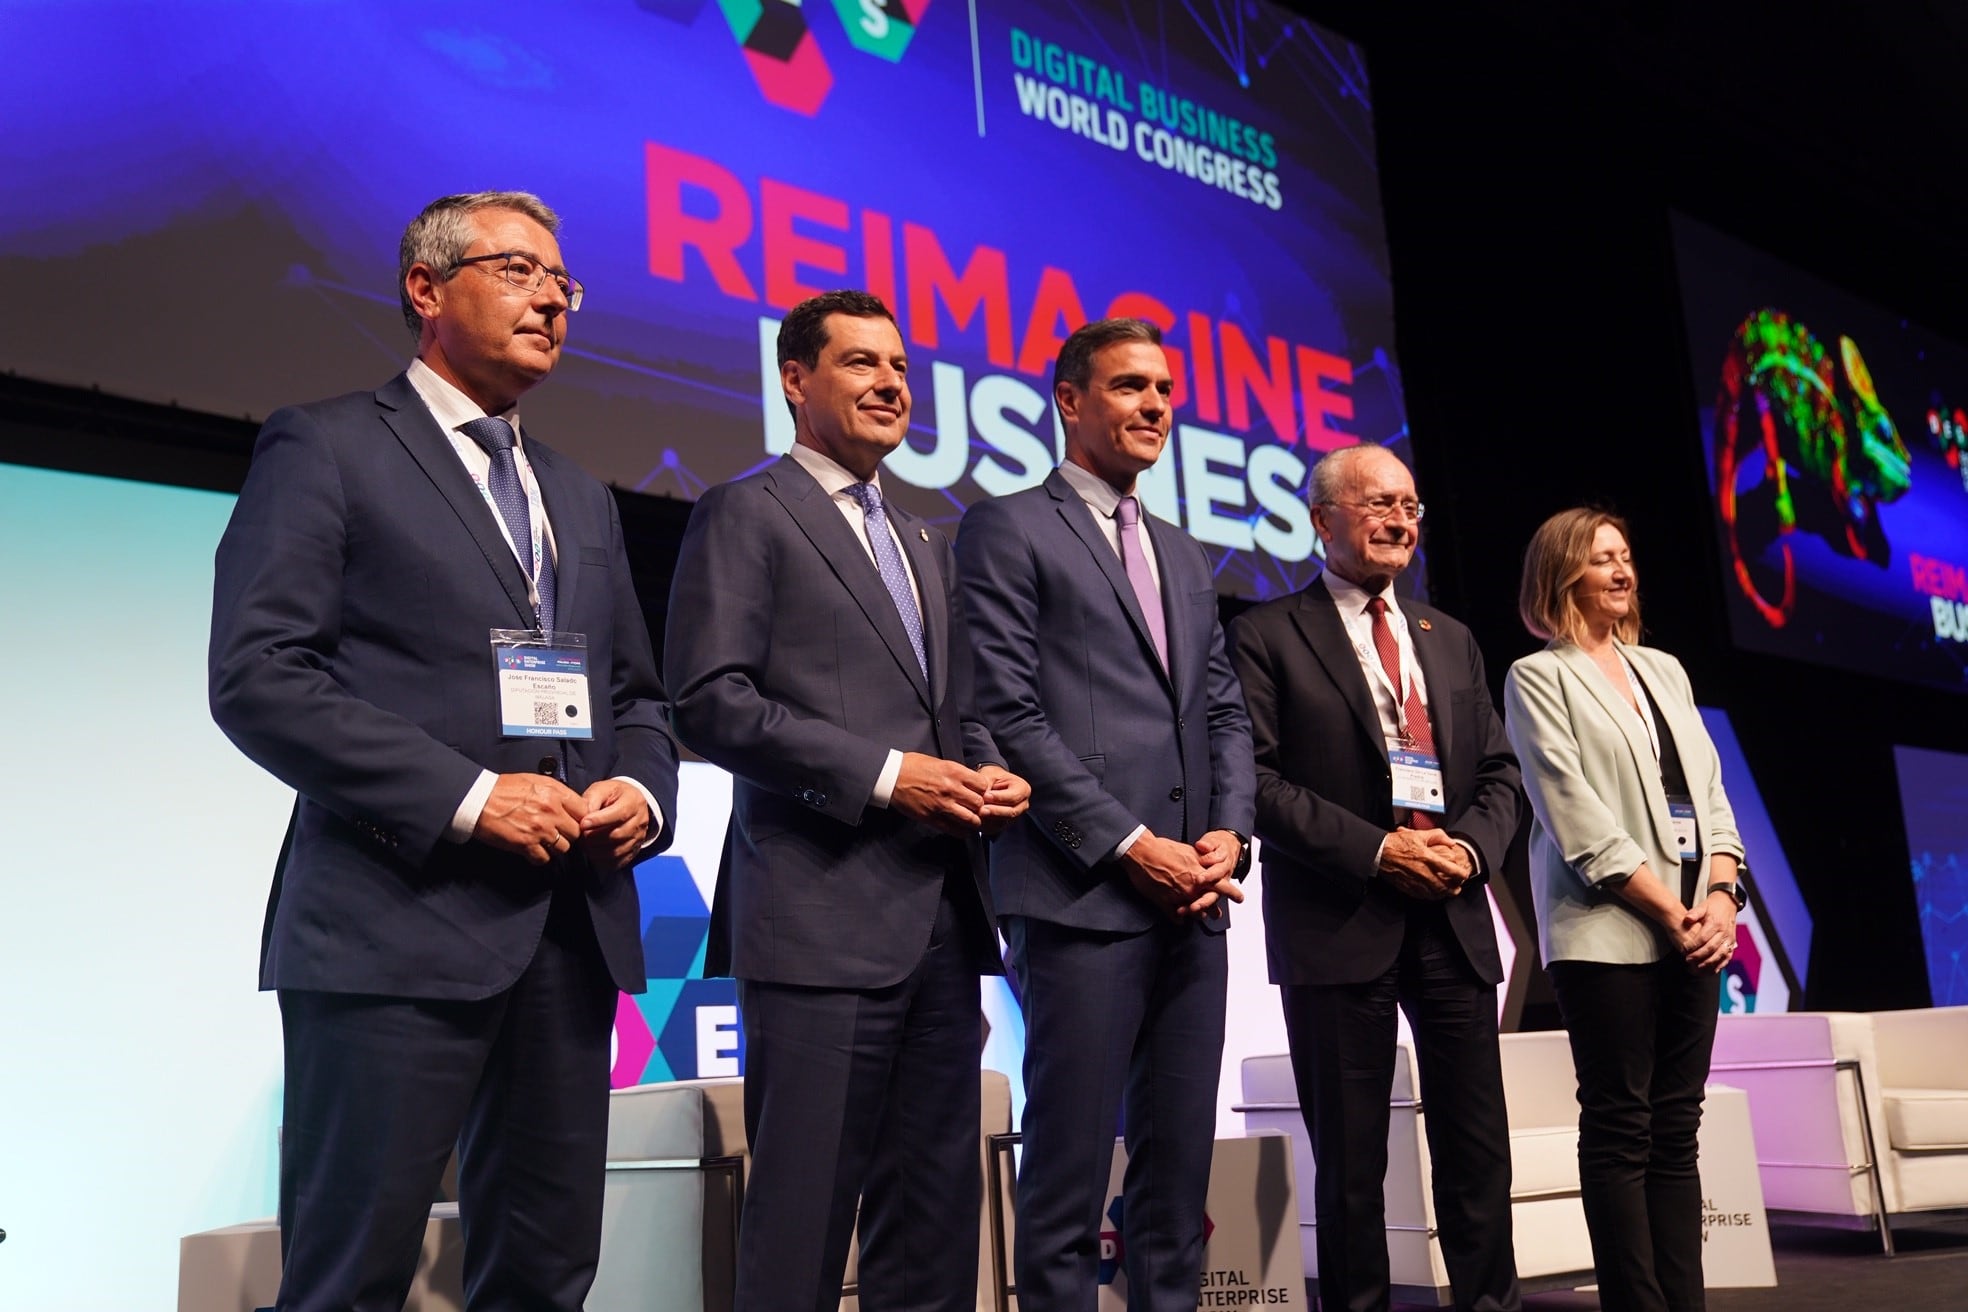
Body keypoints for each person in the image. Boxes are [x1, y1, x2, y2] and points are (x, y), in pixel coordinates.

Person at [208, 191, 680, 1312]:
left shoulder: (579, 494)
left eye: (563, 281)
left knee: (546, 1275)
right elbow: (259, 676)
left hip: (569, 935)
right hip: (392, 925)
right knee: (351, 1278)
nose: (552, 300)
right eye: (519, 270)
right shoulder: (323, 444)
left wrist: (639, 794)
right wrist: (471, 797)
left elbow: (638, 699)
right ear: (427, 289)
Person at [664, 289, 1031, 1312]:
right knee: (802, 1221)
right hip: (818, 918)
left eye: (902, 368)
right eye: (862, 363)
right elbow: (709, 700)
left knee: (935, 1219)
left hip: (945, 922)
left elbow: (948, 709)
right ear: (795, 380)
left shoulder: (923, 539)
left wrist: (990, 765)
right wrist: (886, 776)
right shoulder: (746, 509)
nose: (890, 384)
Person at [955, 317, 1257, 1312]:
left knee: (1174, 1184)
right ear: (1071, 400)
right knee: (1068, 1180)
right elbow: (1002, 710)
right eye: (1130, 386)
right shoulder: (1007, 524)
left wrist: (1229, 835)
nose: (1157, 406)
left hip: (1194, 900)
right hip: (1082, 892)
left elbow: (1219, 708)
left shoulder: (1179, 547)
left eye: (1166, 388)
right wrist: (1132, 845)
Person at [1228, 444, 1524, 1312]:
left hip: (1454, 918)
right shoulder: (1266, 634)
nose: (1400, 520)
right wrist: (1381, 851)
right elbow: (1258, 783)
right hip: (1341, 918)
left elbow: (1500, 775)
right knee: (1353, 1169)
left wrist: (1466, 851)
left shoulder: (1449, 636)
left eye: (1410, 505)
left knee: (1478, 1153)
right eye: (1377, 505)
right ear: (1323, 522)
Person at [1503, 507, 1745, 1312]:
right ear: (1563, 574)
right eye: (1601, 558)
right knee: (1621, 1127)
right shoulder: (1538, 677)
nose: (1621, 571)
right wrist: (1670, 911)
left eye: (1626, 556)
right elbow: (1576, 817)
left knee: (1678, 1129)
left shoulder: (1665, 670)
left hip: (1696, 927)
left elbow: (1709, 795)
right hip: (1605, 930)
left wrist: (1720, 896)